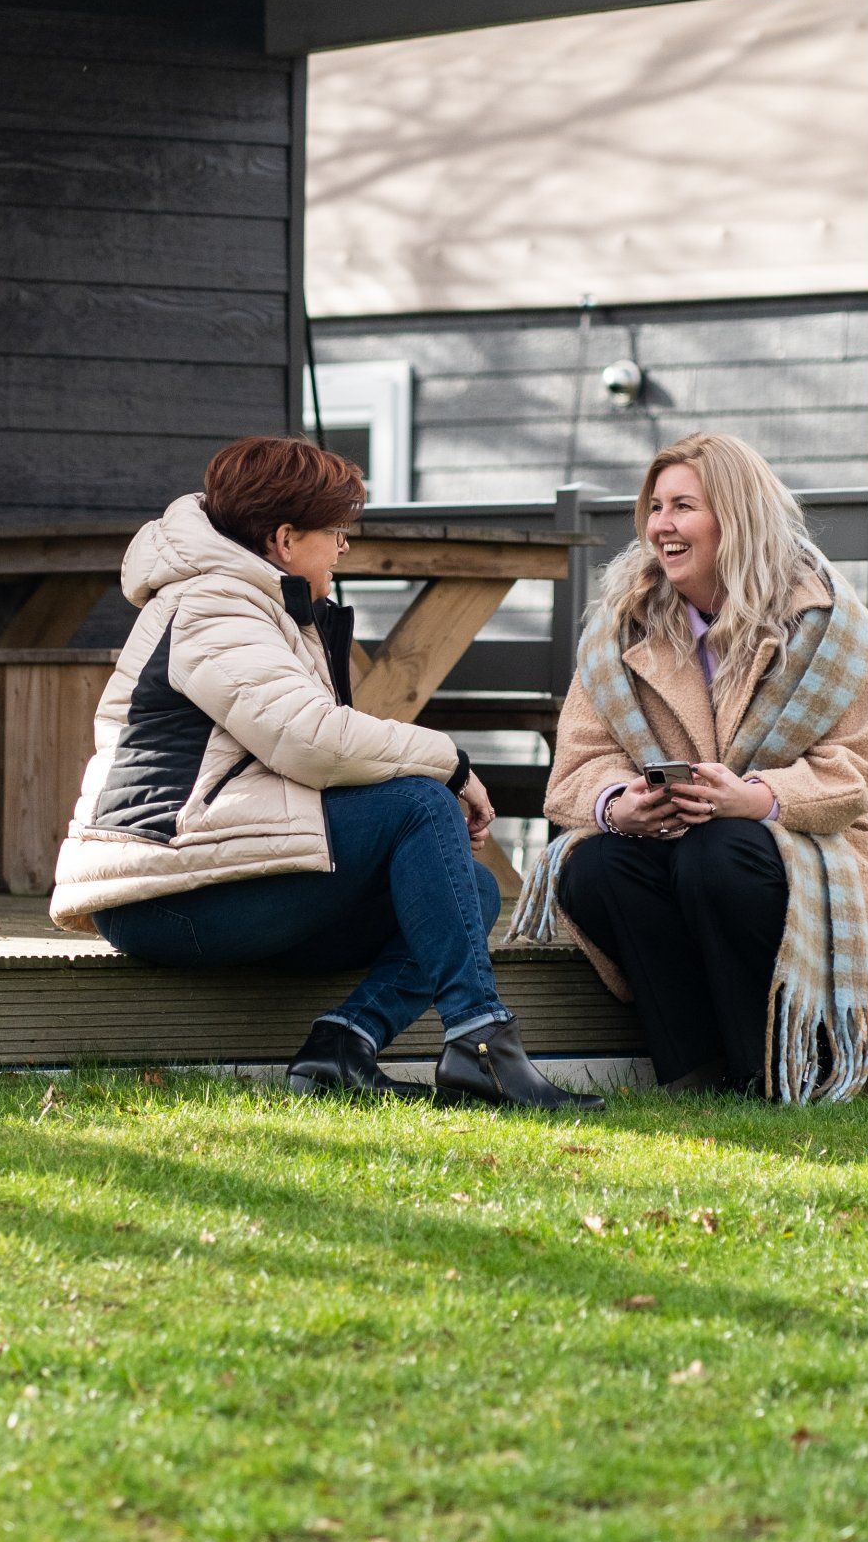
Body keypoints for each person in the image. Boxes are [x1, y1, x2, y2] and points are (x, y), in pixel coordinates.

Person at [50, 435, 595, 1113]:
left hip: (215, 873)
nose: (343, 548)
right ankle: (483, 1047)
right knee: (422, 803)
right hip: (165, 892)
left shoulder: (260, 604)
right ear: (284, 538)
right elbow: (309, 742)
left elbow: (300, 756)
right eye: (335, 532)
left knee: (472, 892)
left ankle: (344, 1045)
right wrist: (452, 764)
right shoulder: (216, 605)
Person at [519, 432, 868, 1102]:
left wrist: (757, 798)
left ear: (734, 517)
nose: (662, 526)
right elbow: (580, 763)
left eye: (683, 506)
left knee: (719, 852)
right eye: (655, 507)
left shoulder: (828, 626)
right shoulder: (622, 626)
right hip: (674, 841)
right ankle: (691, 1069)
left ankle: (765, 1069)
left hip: (806, 846)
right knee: (593, 866)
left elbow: (859, 768)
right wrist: (619, 803)